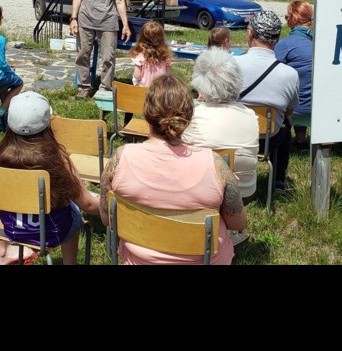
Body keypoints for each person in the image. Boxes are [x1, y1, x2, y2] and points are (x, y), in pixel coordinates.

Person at [99, 74, 246, 265]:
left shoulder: (119, 159)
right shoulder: (216, 164)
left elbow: (106, 218)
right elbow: (238, 223)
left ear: (146, 113)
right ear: (189, 115)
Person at [0, 91, 99, 265]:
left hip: (12, 229)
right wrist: (110, 203)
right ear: (48, 124)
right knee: (75, 211)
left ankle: (2, 250)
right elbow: (89, 205)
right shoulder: (58, 160)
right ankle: (69, 262)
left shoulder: (0, 158)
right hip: (53, 231)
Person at [235, 10, 299, 192]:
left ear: (250, 34)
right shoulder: (290, 74)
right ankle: (278, 180)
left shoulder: (232, 65)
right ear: (277, 39)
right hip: (269, 139)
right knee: (286, 125)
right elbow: (289, 110)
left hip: (236, 136)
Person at [183, 48, 259, 201]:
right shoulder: (251, 116)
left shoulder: (194, 117)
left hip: (202, 191)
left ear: (201, 83)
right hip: (243, 190)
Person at [69, 0, 131, 99]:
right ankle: (84, 87)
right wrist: (73, 19)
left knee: (108, 57)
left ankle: (105, 88)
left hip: (108, 20)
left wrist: (125, 24)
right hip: (85, 19)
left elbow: (119, 0)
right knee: (83, 54)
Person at [274, 0, 314, 148]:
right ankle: (301, 140)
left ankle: (281, 142)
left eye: (286, 17)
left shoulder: (285, 44)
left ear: (293, 18)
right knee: (304, 84)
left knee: (292, 90)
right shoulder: (321, 42)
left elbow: (270, 71)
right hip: (320, 107)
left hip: (297, 110)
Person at [129, 20, 172, 87]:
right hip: (160, 89)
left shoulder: (140, 56)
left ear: (142, 37)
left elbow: (137, 75)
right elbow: (168, 74)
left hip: (144, 89)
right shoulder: (165, 55)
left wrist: (135, 79)